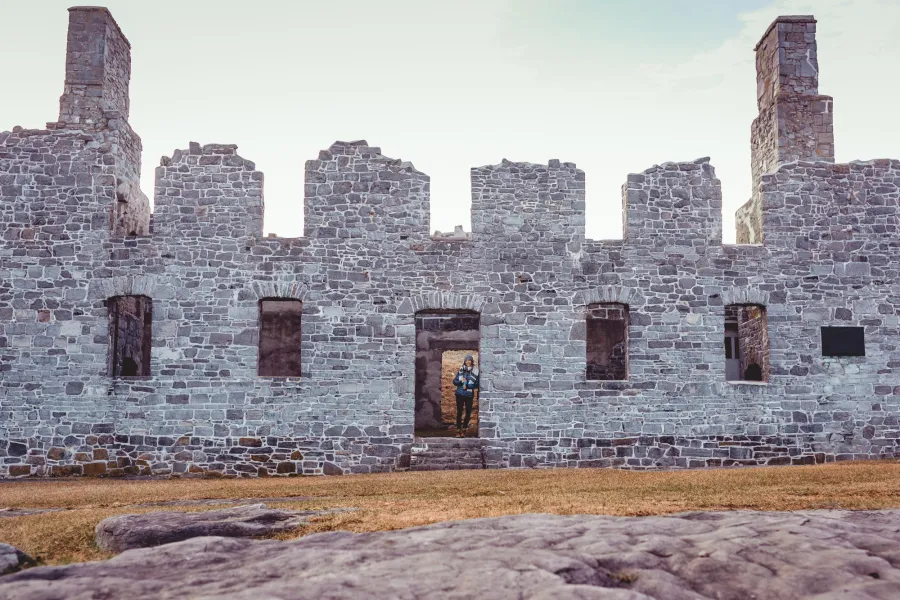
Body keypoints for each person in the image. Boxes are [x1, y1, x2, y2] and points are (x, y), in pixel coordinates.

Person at [452, 354, 479, 437]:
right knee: (459, 412)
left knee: (468, 413)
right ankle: (458, 430)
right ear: (464, 361)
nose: (468, 362)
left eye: (469, 360)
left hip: (468, 395)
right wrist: (460, 382)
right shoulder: (461, 370)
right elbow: (454, 381)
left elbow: (477, 384)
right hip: (459, 394)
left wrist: (468, 386)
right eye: (466, 360)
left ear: (471, 361)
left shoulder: (475, 371)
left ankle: (464, 430)